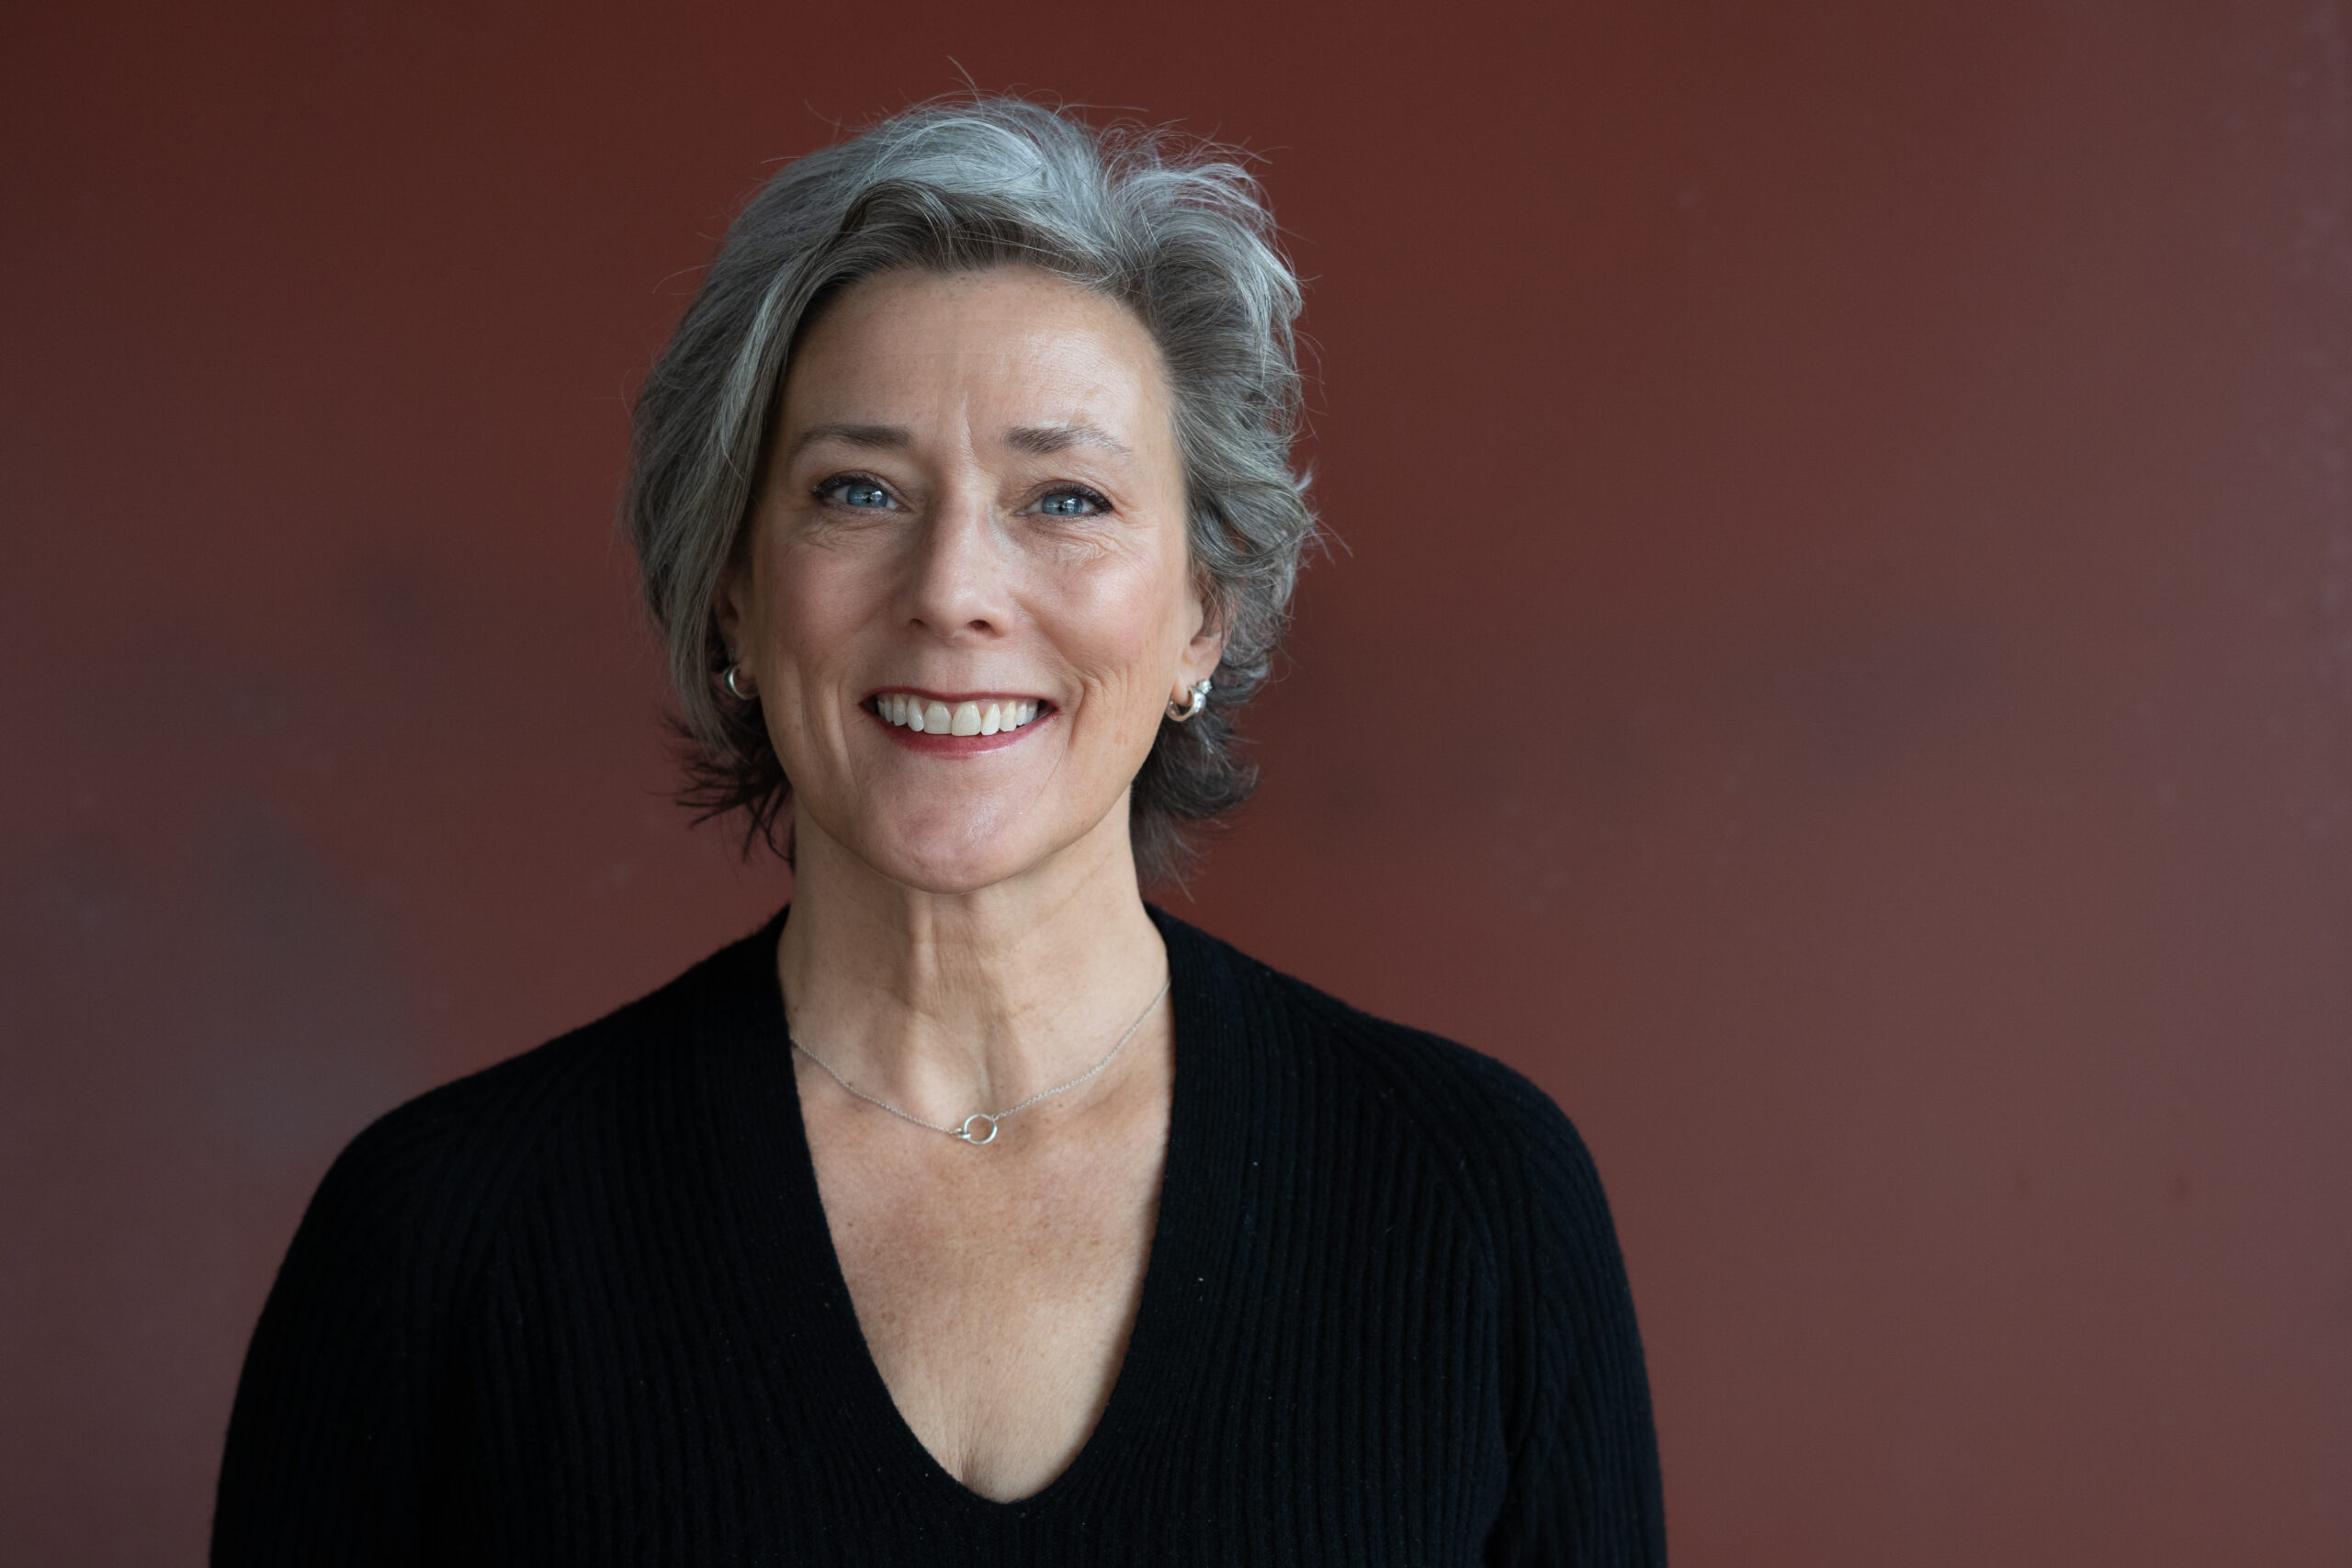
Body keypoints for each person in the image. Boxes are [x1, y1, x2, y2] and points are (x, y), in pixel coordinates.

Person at [212, 97, 1666, 1564]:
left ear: (1203, 617)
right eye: (859, 491)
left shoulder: (1479, 1208)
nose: (953, 587)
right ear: (733, 595)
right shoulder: (441, 1240)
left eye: (1066, 497)